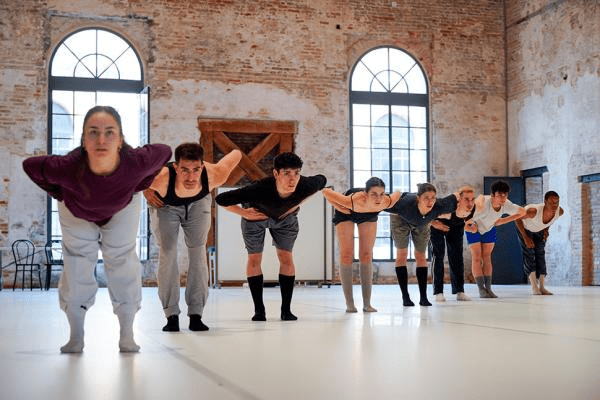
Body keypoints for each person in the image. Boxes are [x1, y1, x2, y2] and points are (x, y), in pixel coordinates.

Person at [22, 106, 172, 353]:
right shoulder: (68, 166)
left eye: (109, 132)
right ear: (83, 140)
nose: (101, 140)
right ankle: (76, 337)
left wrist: (140, 183)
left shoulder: (136, 162)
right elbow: (30, 166)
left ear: (120, 140)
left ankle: (127, 335)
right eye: (93, 132)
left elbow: (164, 152)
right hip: (76, 210)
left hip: (122, 207)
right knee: (77, 262)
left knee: (123, 260)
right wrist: (59, 193)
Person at [215, 152, 326, 321]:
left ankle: (286, 310)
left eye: (296, 173)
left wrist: (298, 202)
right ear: (276, 173)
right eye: (286, 173)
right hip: (256, 217)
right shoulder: (259, 188)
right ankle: (259, 311)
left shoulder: (305, 185)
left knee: (286, 258)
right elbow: (221, 199)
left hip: (286, 219)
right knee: (254, 259)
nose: (292, 179)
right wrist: (244, 213)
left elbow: (322, 179)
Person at [144, 143, 242, 332]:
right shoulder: (161, 179)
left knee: (198, 252)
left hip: (198, 203)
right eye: (185, 170)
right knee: (168, 253)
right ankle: (171, 315)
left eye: (196, 170)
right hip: (165, 204)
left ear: (202, 167)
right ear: (176, 167)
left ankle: (196, 314)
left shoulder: (216, 174)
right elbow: (131, 177)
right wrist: (145, 189)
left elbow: (236, 153)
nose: (190, 177)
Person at [322, 178, 401, 313]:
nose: (378, 198)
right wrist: (339, 207)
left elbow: (397, 193)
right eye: (374, 194)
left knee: (366, 254)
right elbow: (326, 191)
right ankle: (350, 304)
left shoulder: (385, 201)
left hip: (368, 214)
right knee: (347, 254)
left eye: (381, 194)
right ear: (365, 194)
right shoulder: (353, 200)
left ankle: (367, 304)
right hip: (347, 212)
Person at [385, 183, 460, 307]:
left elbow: (456, 197)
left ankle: (423, 298)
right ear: (418, 198)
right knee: (402, 254)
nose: (430, 201)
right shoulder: (404, 205)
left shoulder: (438, 205)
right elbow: (380, 202)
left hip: (422, 222)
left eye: (433, 197)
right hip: (400, 218)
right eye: (426, 198)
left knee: (420, 255)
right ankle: (405, 297)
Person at [465, 180, 526, 298]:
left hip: (489, 228)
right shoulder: (482, 204)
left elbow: (522, 212)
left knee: (487, 257)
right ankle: (481, 289)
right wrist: (470, 227)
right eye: (499, 195)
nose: (503, 198)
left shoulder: (507, 204)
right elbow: (463, 219)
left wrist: (503, 220)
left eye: (505, 195)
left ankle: (488, 288)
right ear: (492, 195)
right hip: (473, 227)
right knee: (476, 256)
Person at [429, 185, 477, 302]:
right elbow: (425, 214)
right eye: (466, 199)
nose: (470, 203)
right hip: (438, 225)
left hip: (456, 226)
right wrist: (434, 223)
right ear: (459, 200)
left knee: (457, 257)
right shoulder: (447, 206)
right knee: (438, 255)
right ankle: (438, 292)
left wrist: (471, 227)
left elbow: (464, 220)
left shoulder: (473, 207)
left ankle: (459, 291)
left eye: (472, 199)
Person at [515, 191, 564, 295]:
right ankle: (534, 286)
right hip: (526, 229)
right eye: (551, 203)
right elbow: (517, 217)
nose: (555, 205)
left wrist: (546, 229)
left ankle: (542, 287)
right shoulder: (533, 211)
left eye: (557, 202)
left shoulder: (559, 211)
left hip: (539, 229)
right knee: (529, 253)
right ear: (545, 202)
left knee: (540, 254)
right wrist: (525, 238)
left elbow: (551, 220)